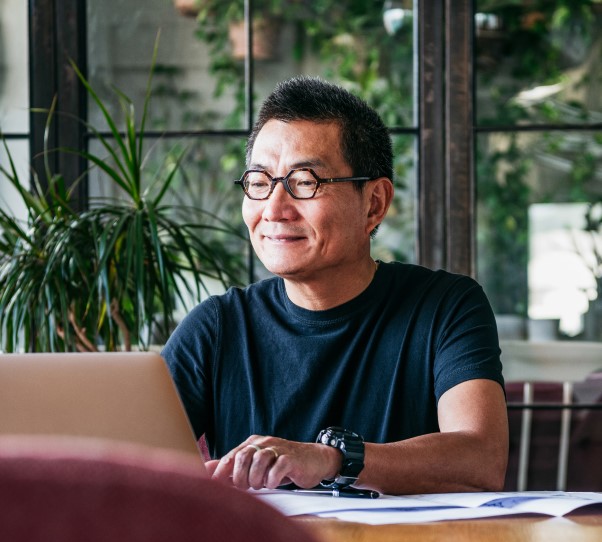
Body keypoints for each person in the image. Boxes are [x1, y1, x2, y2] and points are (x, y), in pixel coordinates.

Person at [161, 76, 508, 496]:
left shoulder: (444, 307)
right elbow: (127, 465)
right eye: (259, 181)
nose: (274, 208)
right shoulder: (216, 329)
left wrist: (330, 459)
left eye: (305, 181)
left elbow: (480, 460)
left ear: (374, 203)